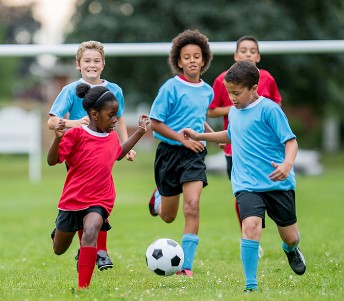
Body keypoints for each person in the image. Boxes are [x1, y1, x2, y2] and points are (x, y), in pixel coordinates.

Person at [182, 61, 306, 292]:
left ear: (254, 88)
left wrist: (287, 164)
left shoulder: (270, 110)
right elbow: (231, 134)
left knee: (290, 237)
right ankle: (251, 286)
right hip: (246, 183)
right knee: (250, 226)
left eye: (237, 93)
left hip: (277, 182)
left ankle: (291, 249)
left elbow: (291, 141)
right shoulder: (234, 112)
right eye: (229, 93)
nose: (232, 98)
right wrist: (199, 135)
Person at [48, 83, 149, 289]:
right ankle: (59, 230)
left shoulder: (111, 136)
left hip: (100, 199)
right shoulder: (76, 135)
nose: (115, 120)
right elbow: (52, 161)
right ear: (94, 114)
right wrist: (57, 140)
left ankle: (83, 288)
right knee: (58, 249)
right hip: (73, 200)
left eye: (115, 115)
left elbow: (118, 153)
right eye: (110, 115)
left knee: (91, 229)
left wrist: (139, 132)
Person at [47, 40, 136, 271]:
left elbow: (121, 117)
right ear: (78, 64)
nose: (92, 65)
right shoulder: (70, 90)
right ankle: (83, 242)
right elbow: (52, 120)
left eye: (96, 60)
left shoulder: (114, 89)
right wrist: (74, 123)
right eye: (87, 60)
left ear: (103, 64)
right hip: (78, 151)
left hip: (105, 146)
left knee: (100, 195)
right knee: (84, 198)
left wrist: (127, 144)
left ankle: (99, 250)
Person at [208, 35, 282, 258]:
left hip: (265, 150)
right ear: (236, 55)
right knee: (244, 193)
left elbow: (276, 105)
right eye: (244, 50)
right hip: (236, 149)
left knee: (270, 193)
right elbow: (211, 110)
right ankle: (249, 236)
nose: (248, 54)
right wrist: (237, 105)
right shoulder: (223, 80)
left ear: (258, 56)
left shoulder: (267, 78)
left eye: (252, 51)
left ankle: (276, 230)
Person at [148, 29, 213, 277]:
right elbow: (156, 122)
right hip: (169, 154)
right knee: (168, 217)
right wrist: (182, 140)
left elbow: (198, 118)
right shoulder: (170, 88)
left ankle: (185, 266)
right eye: (187, 57)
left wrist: (210, 136)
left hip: (194, 154)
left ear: (204, 60)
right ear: (179, 62)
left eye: (197, 56)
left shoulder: (207, 90)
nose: (193, 60)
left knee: (193, 206)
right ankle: (159, 198)